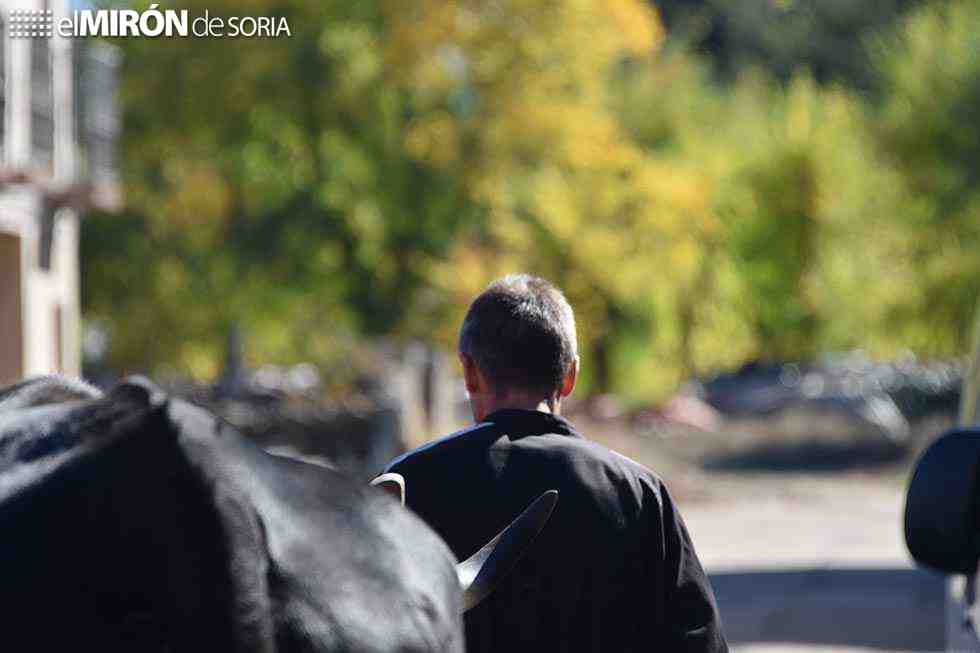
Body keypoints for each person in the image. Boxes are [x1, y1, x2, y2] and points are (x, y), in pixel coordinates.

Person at [384, 274, 727, 652]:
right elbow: (697, 641)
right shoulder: (637, 492)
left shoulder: (408, 484)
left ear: (468, 372)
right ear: (570, 376)